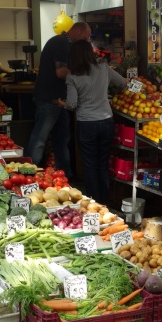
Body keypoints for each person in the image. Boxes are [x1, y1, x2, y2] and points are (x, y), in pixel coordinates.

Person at [60, 39, 126, 205]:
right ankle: (104, 202)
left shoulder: (72, 76)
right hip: (106, 121)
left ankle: (93, 203)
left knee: (90, 165)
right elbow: (123, 83)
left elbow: (72, 104)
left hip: (86, 123)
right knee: (102, 163)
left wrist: (62, 103)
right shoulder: (103, 68)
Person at [26, 21, 90, 175]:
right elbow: (61, 72)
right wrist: (84, 74)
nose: (86, 41)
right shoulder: (61, 43)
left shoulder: (67, 44)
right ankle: (27, 173)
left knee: (62, 139)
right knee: (40, 139)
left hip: (60, 101)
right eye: (85, 37)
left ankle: (64, 175)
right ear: (77, 32)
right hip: (50, 99)